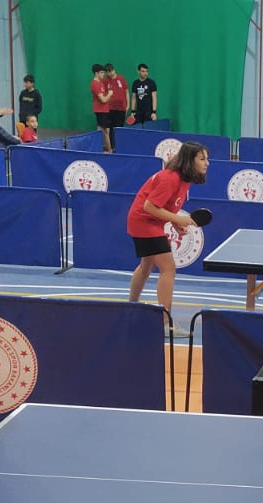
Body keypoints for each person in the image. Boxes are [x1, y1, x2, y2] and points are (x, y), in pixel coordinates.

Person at [126, 141, 209, 321]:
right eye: (202, 159)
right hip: (144, 222)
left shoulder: (184, 179)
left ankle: (131, 306)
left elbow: (166, 205)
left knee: (146, 266)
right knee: (168, 268)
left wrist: (175, 223)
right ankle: (165, 322)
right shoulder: (170, 178)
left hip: (150, 221)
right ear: (189, 160)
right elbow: (149, 206)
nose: (207, 163)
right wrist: (179, 219)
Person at [89, 64, 114, 152]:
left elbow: (105, 99)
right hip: (100, 111)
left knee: (102, 130)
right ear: (96, 73)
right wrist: (110, 94)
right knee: (105, 132)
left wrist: (108, 96)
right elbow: (103, 100)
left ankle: (100, 150)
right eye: (102, 72)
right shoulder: (95, 84)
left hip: (105, 110)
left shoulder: (101, 83)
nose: (103, 74)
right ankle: (109, 151)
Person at [105, 63, 128, 130]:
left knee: (119, 129)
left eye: (111, 71)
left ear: (114, 70)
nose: (110, 73)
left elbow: (126, 92)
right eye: (108, 72)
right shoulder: (105, 81)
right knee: (111, 129)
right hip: (110, 109)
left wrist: (127, 106)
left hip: (121, 109)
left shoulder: (121, 78)